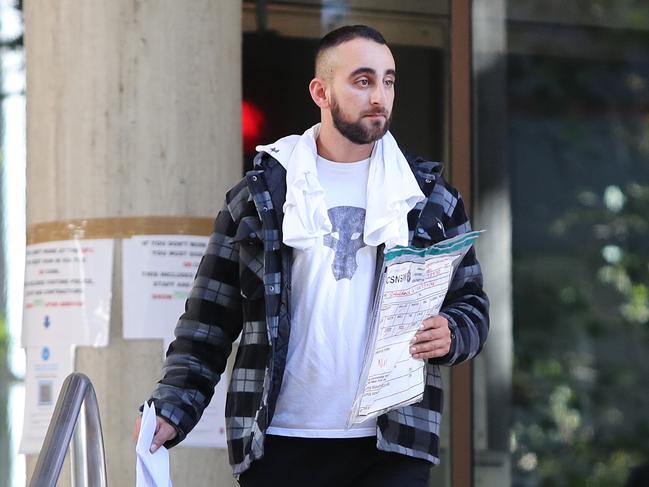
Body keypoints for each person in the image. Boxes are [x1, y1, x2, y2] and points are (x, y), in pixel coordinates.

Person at [135, 25, 489, 486]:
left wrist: (452, 332)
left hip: (392, 442)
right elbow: (208, 321)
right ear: (321, 92)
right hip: (279, 441)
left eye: (388, 80)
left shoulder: (429, 199)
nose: (379, 95)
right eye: (363, 81)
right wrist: (173, 409)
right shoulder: (261, 197)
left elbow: (472, 307)